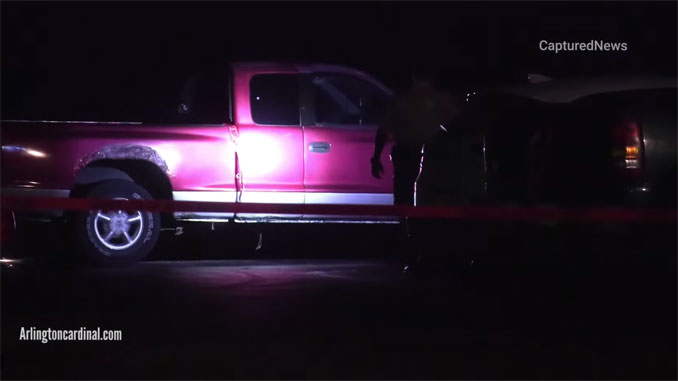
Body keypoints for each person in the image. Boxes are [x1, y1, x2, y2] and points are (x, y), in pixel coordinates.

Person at [370, 68, 460, 205]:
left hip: (405, 153)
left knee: (403, 196)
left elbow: (383, 130)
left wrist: (376, 158)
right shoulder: (441, 99)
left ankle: (406, 224)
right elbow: (457, 126)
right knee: (432, 198)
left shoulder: (402, 99)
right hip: (435, 156)